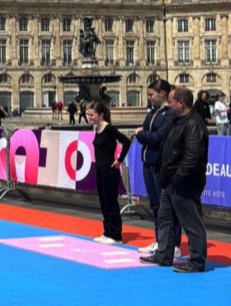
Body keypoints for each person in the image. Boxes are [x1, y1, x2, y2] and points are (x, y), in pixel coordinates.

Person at [140, 86, 210, 272]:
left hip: (184, 182)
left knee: (190, 221)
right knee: (166, 218)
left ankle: (197, 260)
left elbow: (192, 156)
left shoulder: (194, 123)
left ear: (181, 103)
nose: (169, 105)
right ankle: (164, 253)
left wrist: (178, 177)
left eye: (171, 102)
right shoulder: (177, 120)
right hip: (170, 180)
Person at [134, 79, 176, 255]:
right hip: (147, 161)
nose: (149, 98)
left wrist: (141, 134)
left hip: (159, 162)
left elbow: (158, 137)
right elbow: (146, 130)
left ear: (162, 94)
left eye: (152, 95)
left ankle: (172, 244)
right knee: (155, 204)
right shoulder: (154, 112)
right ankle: (160, 240)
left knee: (166, 205)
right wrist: (144, 134)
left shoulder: (170, 113)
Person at [86, 101, 131, 245]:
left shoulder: (109, 129)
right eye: (88, 114)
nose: (89, 117)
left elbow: (126, 142)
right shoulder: (97, 129)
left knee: (111, 203)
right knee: (104, 202)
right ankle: (107, 232)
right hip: (99, 169)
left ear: (100, 115)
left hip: (110, 171)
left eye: (91, 115)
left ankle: (116, 235)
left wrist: (119, 160)